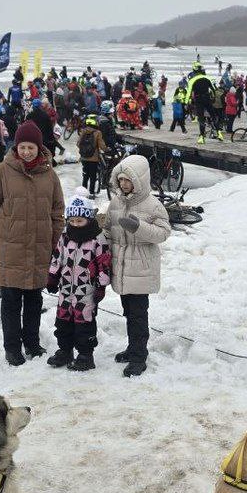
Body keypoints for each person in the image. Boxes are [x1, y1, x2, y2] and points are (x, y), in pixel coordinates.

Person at [0, 120, 64, 367]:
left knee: (35, 301)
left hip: (39, 249)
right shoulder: (1, 173)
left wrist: (57, 248)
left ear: (39, 148)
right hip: (10, 250)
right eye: (22, 147)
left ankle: (32, 343)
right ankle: (12, 348)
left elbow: (57, 213)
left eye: (31, 147)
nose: (27, 152)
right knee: (11, 302)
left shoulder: (49, 175)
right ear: (16, 147)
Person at [105, 155, 171, 377]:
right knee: (128, 312)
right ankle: (132, 348)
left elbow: (163, 233)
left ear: (140, 180)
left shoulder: (153, 205)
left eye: (128, 180)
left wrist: (138, 227)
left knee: (138, 316)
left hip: (141, 271)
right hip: (122, 269)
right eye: (121, 180)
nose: (124, 184)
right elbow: (107, 230)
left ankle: (138, 357)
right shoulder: (115, 203)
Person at [45, 190, 113, 372]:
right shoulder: (65, 237)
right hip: (65, 287)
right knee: (63, 321)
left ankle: (85, 355)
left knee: (84, 323)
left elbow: (104, 262)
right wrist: (52, 276)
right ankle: (65, 350)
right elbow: (57, 257)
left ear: (89, 219)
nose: (75, 224)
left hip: (86, 289)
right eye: (72, 221)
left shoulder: (97, 239)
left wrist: (101, 285)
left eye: (80, 221)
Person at [188, 62, 221, 145]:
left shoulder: (192, 80)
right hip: (207, 99)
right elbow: (214, 89)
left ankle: (202, 137)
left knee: (201, 118)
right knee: (213, 116)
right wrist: (213, 99)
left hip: (199, 100)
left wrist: (186, 103)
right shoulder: (207, 78)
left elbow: (189, 92)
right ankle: (219, 133)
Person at [77, 114, 107, 197]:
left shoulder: (83, 131)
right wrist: (107, 150)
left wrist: (84, 150)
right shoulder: (98, 133)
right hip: (93, 159)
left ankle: (83, 193)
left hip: (84, 158)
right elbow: (101, 145)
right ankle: (91, 193)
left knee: (85, 175)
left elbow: (78, 143)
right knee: (93, 176)